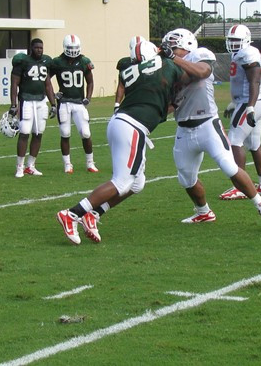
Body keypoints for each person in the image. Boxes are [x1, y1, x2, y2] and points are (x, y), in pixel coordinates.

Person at [56, 40, 189, 245]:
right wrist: (177, 58)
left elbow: (162, 102)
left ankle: (94, 214)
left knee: (136, 183)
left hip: (123, 123)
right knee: (122, 181)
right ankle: (72, 214)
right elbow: (193, 76)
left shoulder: (134, 72)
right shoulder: (165, 65)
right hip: (132, 126)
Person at [160, 28, 261, 226]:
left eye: (174, 46)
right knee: (186, 179)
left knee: (229, 166)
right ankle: (203, 212)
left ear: (187, 44)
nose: (169, 50)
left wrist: (173, 59)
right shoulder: (169, 66)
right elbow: (171, 101)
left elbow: (201, 72)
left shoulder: (200, 55)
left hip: (207, 124)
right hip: (183, 128)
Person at [219, 24, 261, 201]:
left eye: (236, 40)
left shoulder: (248, 53)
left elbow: (254, 82)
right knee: (254, 144)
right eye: (231, 40)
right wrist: (234, 102)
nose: (233, 44)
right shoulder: (241, 54)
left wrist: (248, 106)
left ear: (246, 39)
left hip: (250, 102)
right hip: (251, 101)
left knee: (234, 141)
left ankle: (240, 187)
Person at [51, 34, 98, 174]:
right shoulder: (58, 62)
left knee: (85, 133)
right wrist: (53, 94)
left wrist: (88, 98)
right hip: (64, 102)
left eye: (75, 48)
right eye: (70, 48)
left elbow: (90, 81)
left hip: (78, 102)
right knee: (65, 133)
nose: (73, 51)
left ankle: (90, 162)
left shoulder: (84, 61)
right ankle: (67, 164)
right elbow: (45, 78)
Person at [9, 38, 57, 177]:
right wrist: (13, 104)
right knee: (24, 132)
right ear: (31, 48)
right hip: (26, 100)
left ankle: (31, 165)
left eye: (41, 48)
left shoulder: (45, 62)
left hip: (41, 101)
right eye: (37, 48)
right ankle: (19, 166)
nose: (39, 50)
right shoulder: (22, 62)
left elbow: (48, 84)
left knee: (38, 133)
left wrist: (53, 104)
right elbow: (14, 84)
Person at [114, 35, 146, 112]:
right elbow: (121, 85)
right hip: (130, 101)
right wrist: (117, 104)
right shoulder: (124, 63)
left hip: (146, 100)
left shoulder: (152, 62)